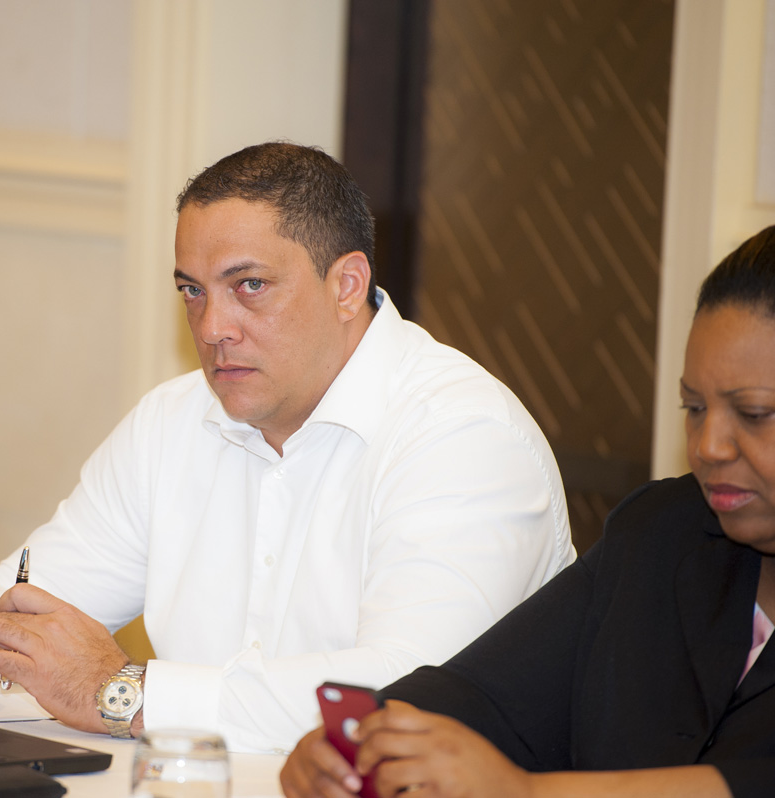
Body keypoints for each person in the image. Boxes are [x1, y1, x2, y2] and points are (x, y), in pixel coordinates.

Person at [0, 142, 575, 753]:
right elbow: (32, 600)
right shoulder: (171, 420)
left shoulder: (465, 436)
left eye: (250, 286)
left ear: (347, 286)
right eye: (193, 291)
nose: (213, 326)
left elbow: (404, 695)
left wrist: (124, 692)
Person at [280, 226, 775, 798]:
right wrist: (358, 738)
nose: (709, 446)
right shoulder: (663, 531)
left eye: (753, 413)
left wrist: (525, 792)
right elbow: (484, 694)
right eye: (694, 408)